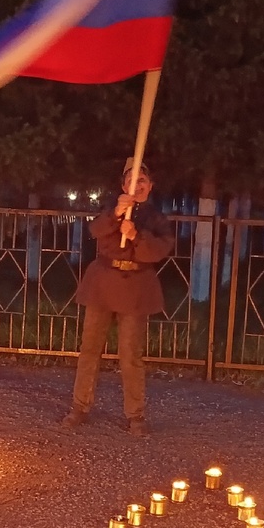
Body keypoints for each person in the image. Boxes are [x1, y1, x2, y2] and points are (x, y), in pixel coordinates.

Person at [61, 161, 175, 436]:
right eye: (132, 182)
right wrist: (116, 214)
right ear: (123, 186)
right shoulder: (112, 207)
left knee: (130, 355)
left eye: (143, 181)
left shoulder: (157, 219)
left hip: (136, 288)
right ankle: (79, 407)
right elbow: (96, 231)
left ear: (150, 186)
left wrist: (136, 235)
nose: (138, 186)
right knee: (89, 349)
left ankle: (135, 415)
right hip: (102, 284)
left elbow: (158, 251)